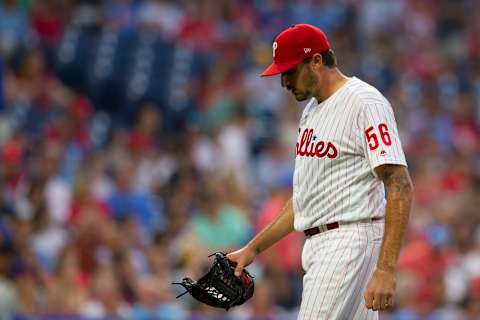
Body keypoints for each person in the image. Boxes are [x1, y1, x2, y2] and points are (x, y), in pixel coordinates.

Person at [227, 24, 414, 319]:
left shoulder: (364, 103)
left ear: (316, 61)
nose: (284, 82)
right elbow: (304, 201)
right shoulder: (311, 111)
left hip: (348, 242)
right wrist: (253, 249)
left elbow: (400, 184)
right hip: (324, 243)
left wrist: (386, 269)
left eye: (289, 71)